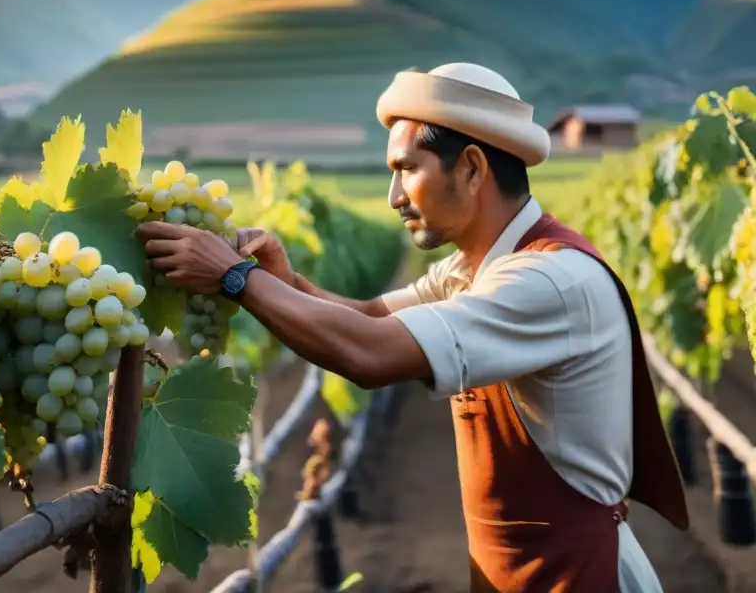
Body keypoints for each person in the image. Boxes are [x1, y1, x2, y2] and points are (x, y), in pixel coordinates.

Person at [135, 62, 689, 592]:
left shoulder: (548, 281)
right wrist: (285, 280)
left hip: (578, 576)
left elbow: (370, 354)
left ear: (471, 168)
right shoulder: (475, 268)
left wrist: (236, 280)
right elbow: (371, 317)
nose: (394, 197)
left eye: (406, 170)